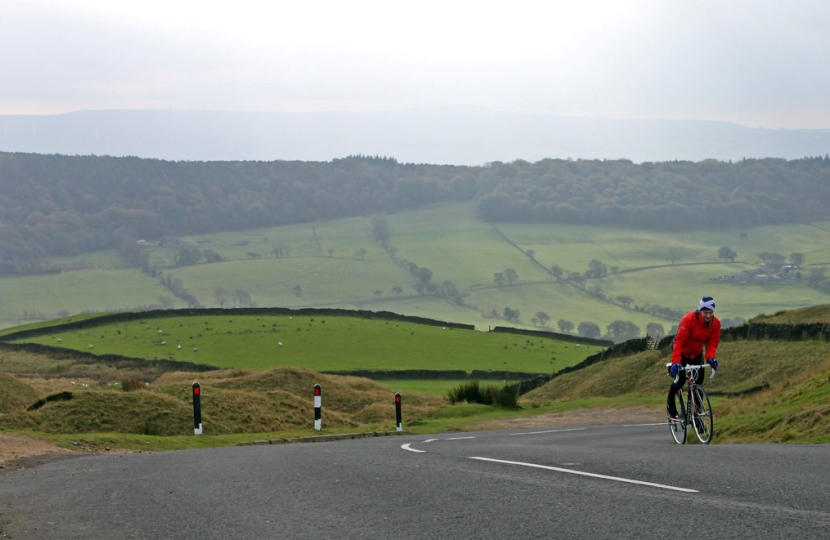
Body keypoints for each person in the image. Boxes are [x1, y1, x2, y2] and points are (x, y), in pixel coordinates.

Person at [667, 296, 721, 420]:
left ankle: (697, 417)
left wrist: (711, 358)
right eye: (705, 312)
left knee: (698, 383)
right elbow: (679, 341)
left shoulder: (716, 324)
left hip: (696, 353)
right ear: (700, 311)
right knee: (679, 381)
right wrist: (676, 362)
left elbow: (712, 343)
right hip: (682, 352)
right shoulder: (688, 319)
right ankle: (671, 407)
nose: (708, 316)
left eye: (711, 313)